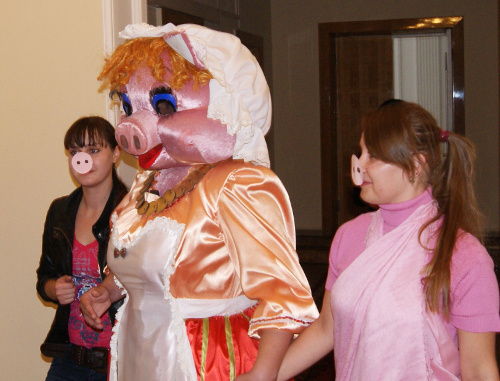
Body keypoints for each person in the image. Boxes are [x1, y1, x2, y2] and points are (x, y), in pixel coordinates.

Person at [79, 23, 318, 381]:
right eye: (129, 105)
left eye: (163, 105)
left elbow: (281, 294)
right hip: (138, 354)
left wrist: (263, 375)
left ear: (224, 105)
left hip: (206, 358)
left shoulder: (239, 182)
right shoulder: (148, 181)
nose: (132, 126)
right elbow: (144, 263)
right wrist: (108, 290)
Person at [277, 99, 500, 380]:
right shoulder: (349, 235)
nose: (361, 165)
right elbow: (326, 329)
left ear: (416, 166)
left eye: (374, 156)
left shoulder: (465, 255)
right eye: (361, 153)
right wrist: (264, 375)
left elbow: (479, 369)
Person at [36, 116, 127, 380]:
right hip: (68, 359)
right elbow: (44, 276)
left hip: (118, 360)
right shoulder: (59, 211)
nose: (82, 160)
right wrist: (54, 288)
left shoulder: (133, 212)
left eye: (94, 151)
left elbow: (147, 280)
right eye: (75, 152)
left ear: (116, 154)